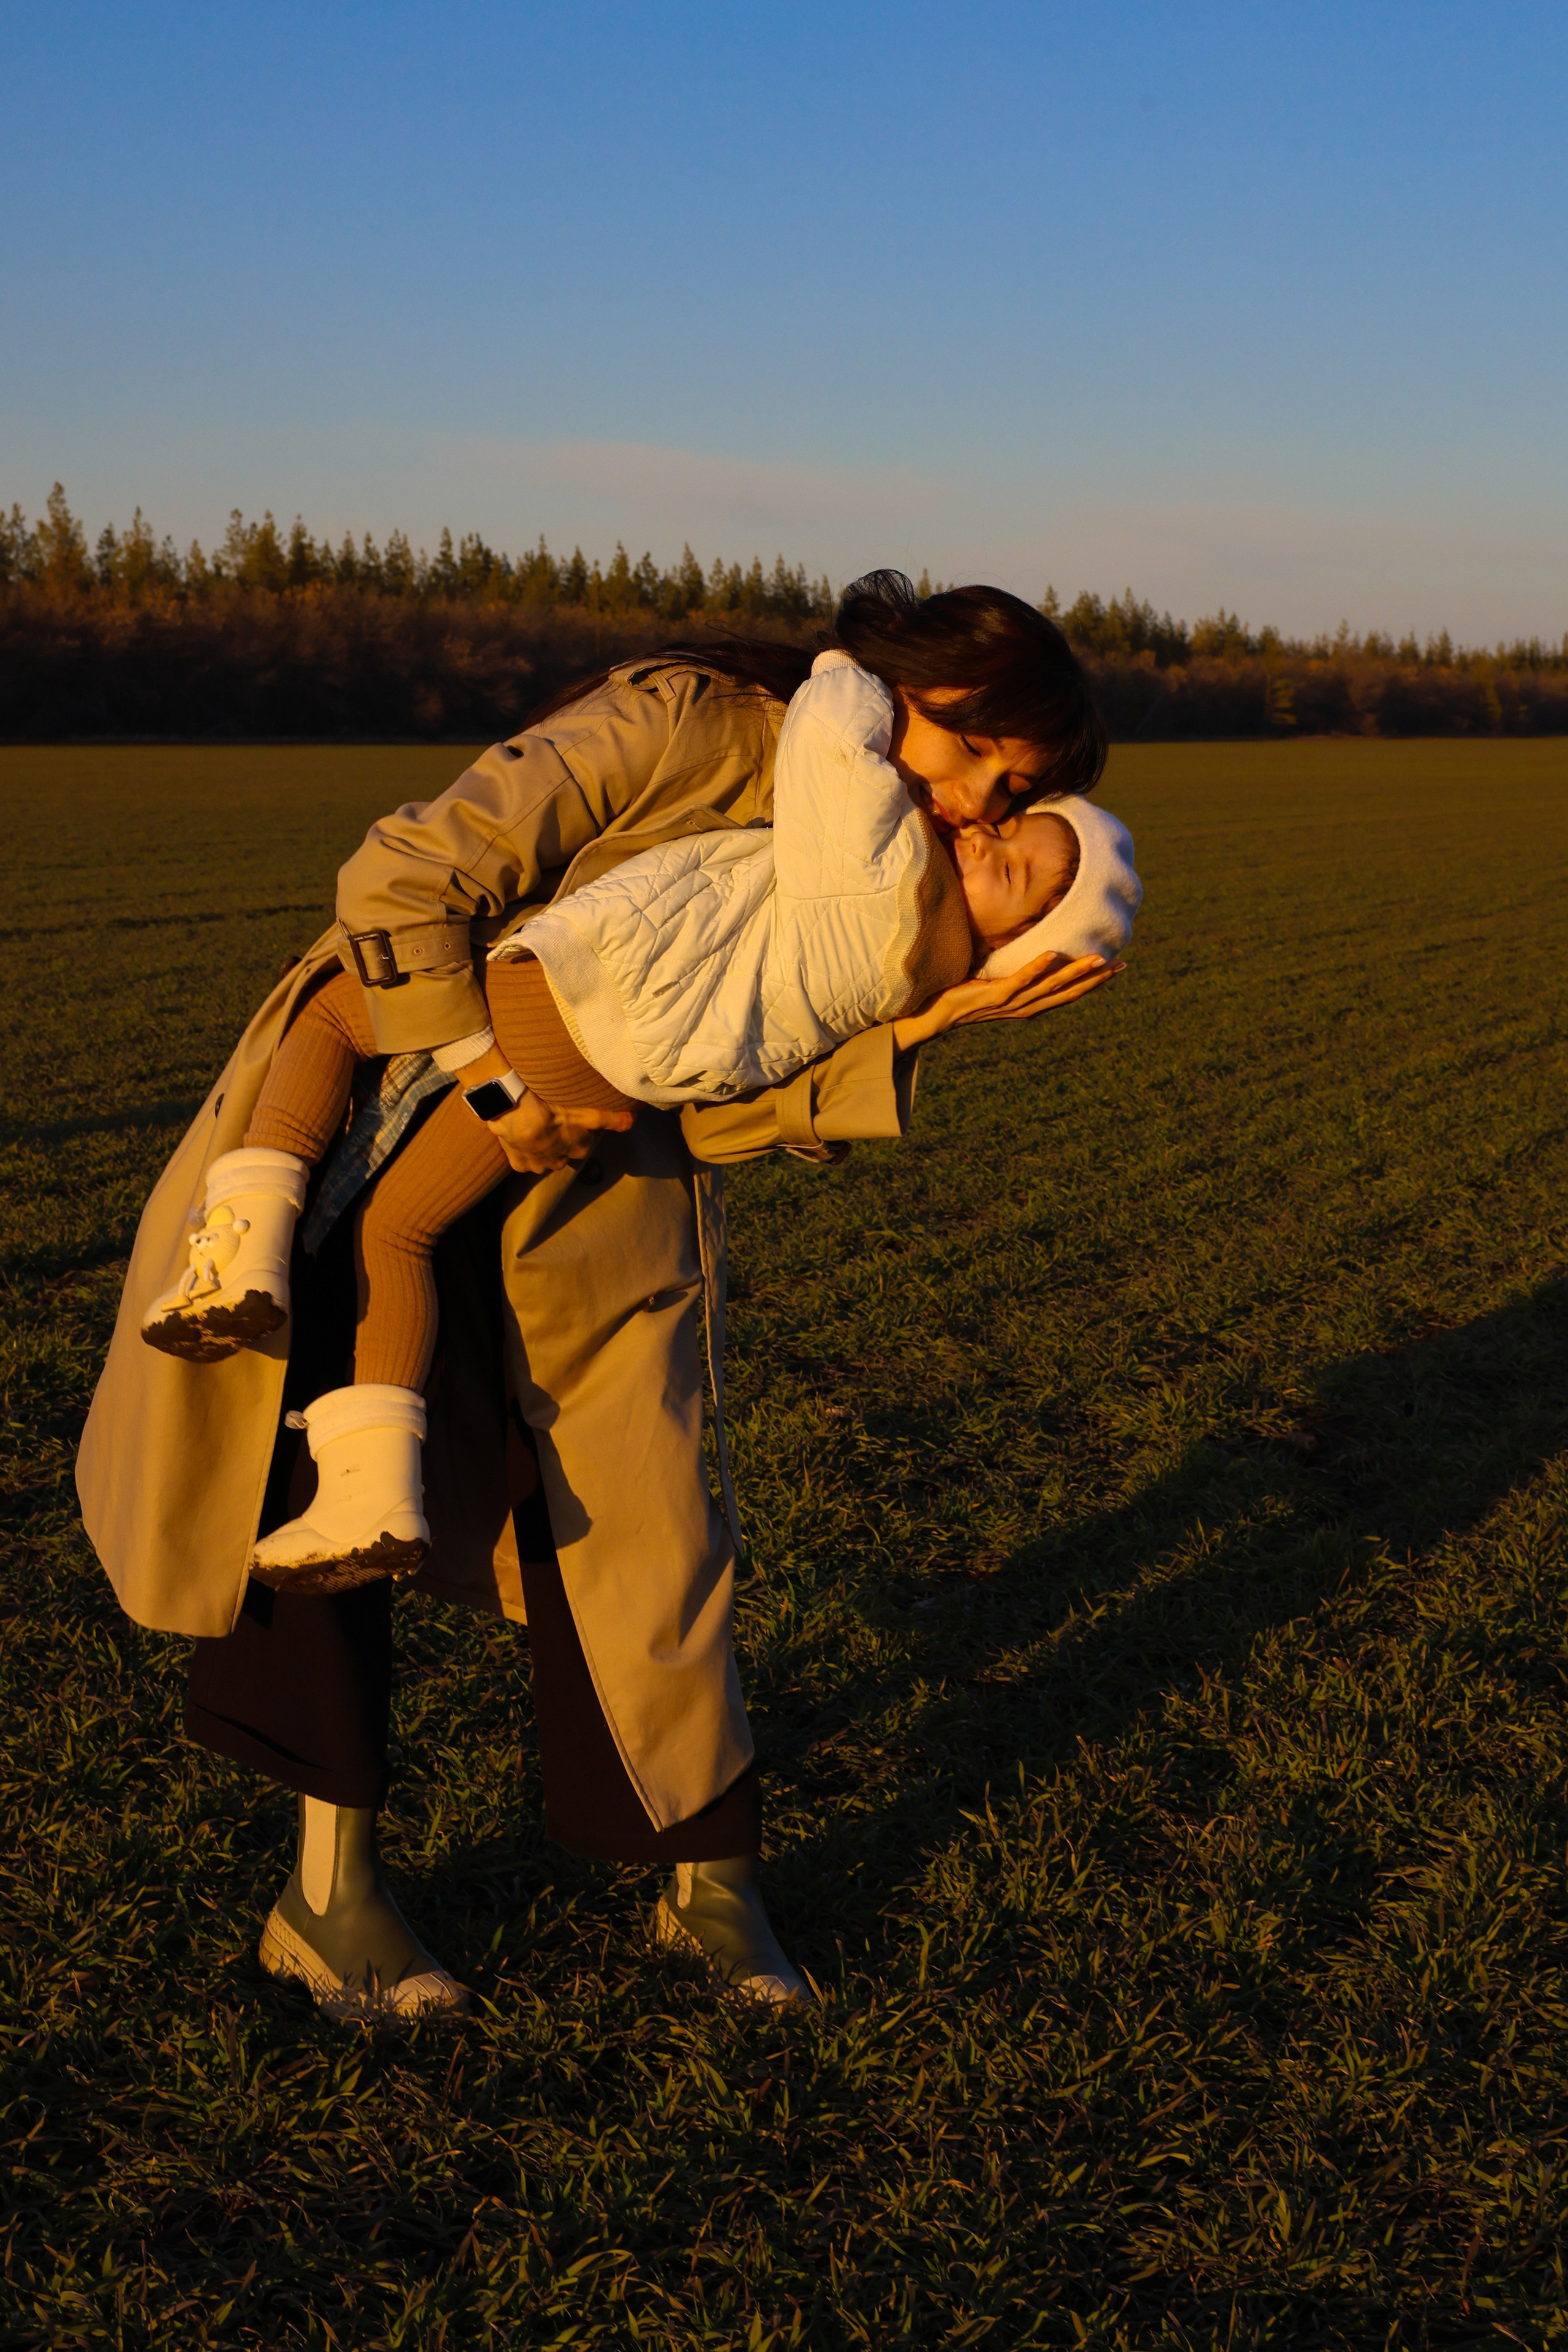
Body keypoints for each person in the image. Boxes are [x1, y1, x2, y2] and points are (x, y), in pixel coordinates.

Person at [77, 571, 1127, 2023]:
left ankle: (710, 1889)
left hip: (592, 1206)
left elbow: (718, 1110)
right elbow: (406, 878)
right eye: (982, 754)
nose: (982, 805)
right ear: (899, 681)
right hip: (371, 1125)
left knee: (649, 1540)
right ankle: (330, 1901)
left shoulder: (892, 863)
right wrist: (495, 1081)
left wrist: (927, 1021)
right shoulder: (690, 724)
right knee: (314, 1503)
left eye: (1017, 791)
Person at [137, 649, 1139, 1597]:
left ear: (1016, 948)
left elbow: (834, 727)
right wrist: (926, 1023)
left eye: (1007, 843)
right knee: (398, 1232)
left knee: (336, 1008)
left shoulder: (881, 870)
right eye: (996, 796)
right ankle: (370, 1495)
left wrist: (858, 666)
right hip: (607, 1081)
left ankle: (242, 1253)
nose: (975, 819)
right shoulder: (904, 980)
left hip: (567, 995)